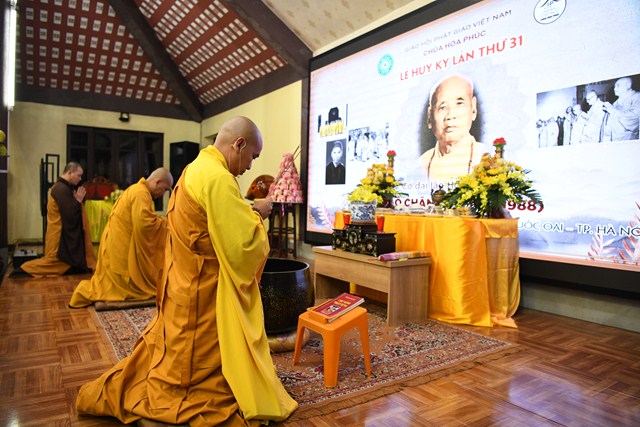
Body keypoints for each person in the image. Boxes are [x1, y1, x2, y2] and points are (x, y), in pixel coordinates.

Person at [76, 116, 297, 425]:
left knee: (176, 348)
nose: (250, 166)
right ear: (239, 144)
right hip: (202, 287)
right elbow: (242, 247)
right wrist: (258, 217)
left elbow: (212, 221)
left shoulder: (194, 168)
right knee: (196, 368)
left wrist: (247, 211)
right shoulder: (219, 178)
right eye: (253, 156)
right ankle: (189, 388)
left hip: (181, 278)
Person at [68, 168, 174, 308]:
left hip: (115, 243)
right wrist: (167, 222)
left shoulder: (136, 189)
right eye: (165, 189)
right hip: (120, 248)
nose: (163, 194)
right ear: (157, 182)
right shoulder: (141, 193)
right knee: (136, 287)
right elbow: (144, 225)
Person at [16, 162, 96, 277]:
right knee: (52, 263)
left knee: (62, 264)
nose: (80, 179)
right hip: (59, 236)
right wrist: (77, 201)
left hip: (58, 233)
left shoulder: (62, 187)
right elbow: (69, 216)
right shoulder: (61, 189)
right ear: (69, 173)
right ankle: (24, 270)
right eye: (78, 175)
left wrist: (76, 201)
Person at [418, 74, 486, 184]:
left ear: (473, 109)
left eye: (459, 104)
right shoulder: (420, 164)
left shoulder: (487, 157)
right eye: (442, 107)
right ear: (430, 117)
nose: (450, 115)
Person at [602, 76, 640, 141]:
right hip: (614, 139)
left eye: (618, 85)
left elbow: (635, 119)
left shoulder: (637, 97)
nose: (615, 89)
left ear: (628, 85)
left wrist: (613, 111)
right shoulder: (615, 103)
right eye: (614, 86)